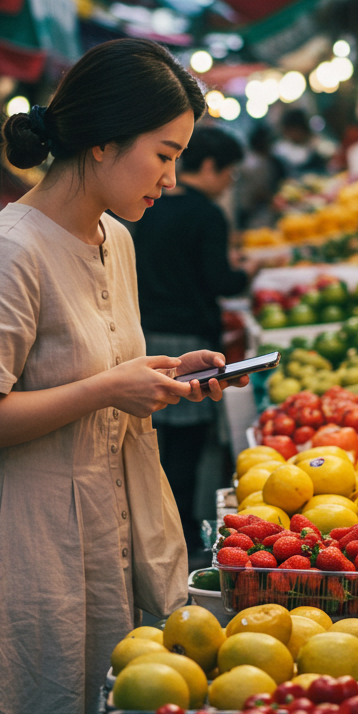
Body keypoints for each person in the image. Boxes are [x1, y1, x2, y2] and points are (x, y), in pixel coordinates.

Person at [0, 39, 242, 714]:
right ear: (101, 143)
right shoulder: (9, 252)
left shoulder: (115, 238)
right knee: (32, 707)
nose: (172, 180)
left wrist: (162, 380)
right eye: (165, 153)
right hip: (27, 541)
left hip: (102, 520)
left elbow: (103, 372)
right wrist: (107, 390)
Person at [130, 125, 254, 560]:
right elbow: (220, 279)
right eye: (230, 173)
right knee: (185, 452)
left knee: (148, 446)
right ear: (210, 166)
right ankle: (179, 538)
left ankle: (153, 534)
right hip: (189, 345)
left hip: (143, 341)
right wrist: (247, 272)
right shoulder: (207, 215)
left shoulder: (144, 209)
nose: (229, 184)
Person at [275, 108, 330, 177]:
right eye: (287, 131)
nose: (290, 134)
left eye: (295, 130)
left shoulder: (317, 144)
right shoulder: (281, 151)